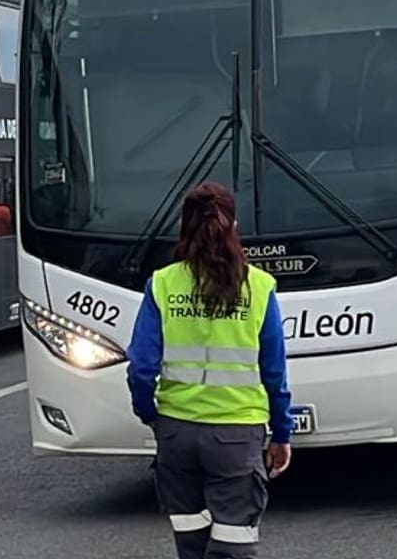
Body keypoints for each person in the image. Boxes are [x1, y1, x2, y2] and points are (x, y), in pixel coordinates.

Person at [127, 181, 293, 559]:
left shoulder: (163, 284)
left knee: (191, 543)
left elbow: (141, 368)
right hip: (236, 434)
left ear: (184, 228)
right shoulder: (259, 287)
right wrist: (281, 433)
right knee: (234, 545)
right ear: (233, 227)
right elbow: (274, 373)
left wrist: (150, 414)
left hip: (176, 434)